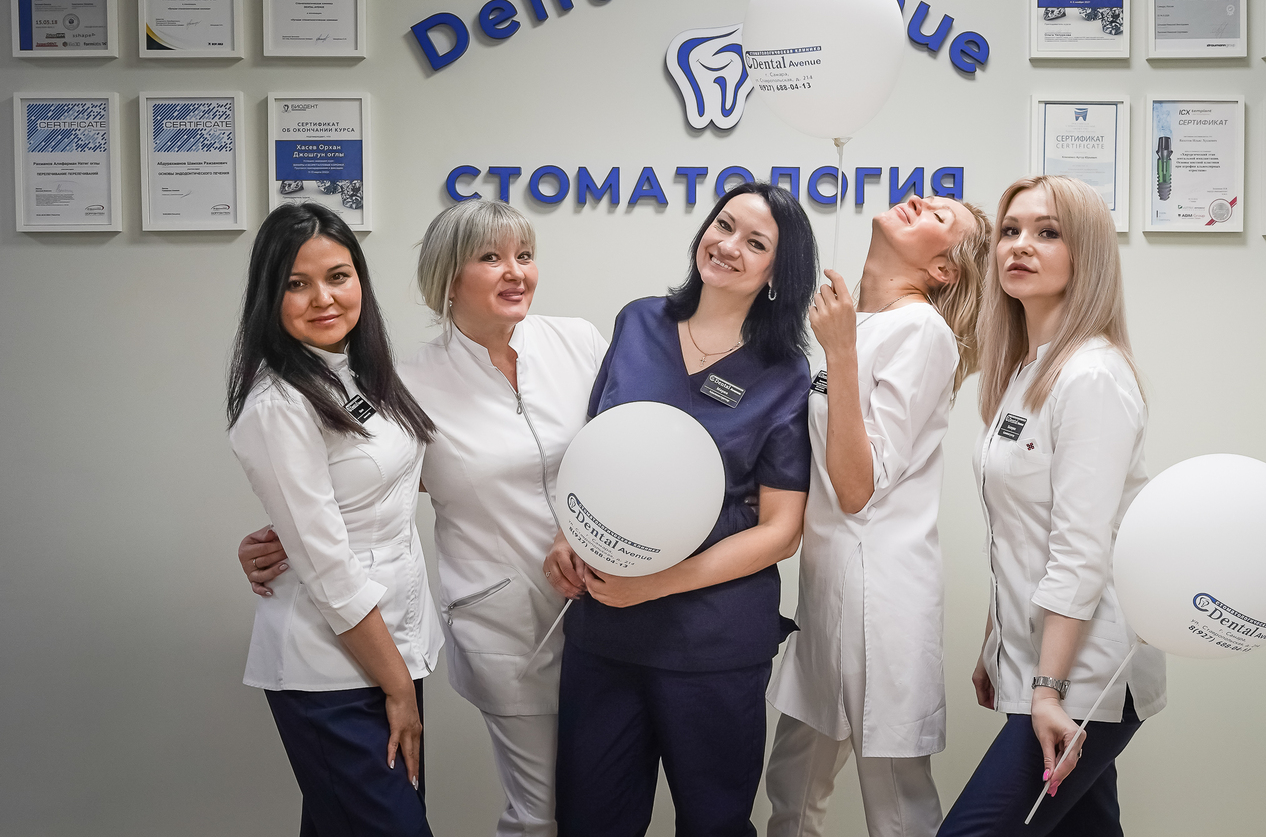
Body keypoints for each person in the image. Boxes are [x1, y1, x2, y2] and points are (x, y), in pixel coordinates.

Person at [241, 200, 608, 837]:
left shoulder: (575, 342)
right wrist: (284, 540)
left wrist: (285, 539)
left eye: (524, 255)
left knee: (599, 806)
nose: (515, 271)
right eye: (490, 257)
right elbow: (335, 516)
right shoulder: (406, 381)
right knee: (536, 812)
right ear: (447, 277)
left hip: (597, 610)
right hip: (489, 624)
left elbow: (365, 486)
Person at [547, 182, 818, 837]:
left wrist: (656, 584)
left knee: (713, 824)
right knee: (589, 821)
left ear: (778, 273)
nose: (728, 245)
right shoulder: (638, 322)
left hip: (712, 638)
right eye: (724, 225)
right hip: (606, 629)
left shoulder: (784, 372)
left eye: (755, 242)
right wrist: (568, 535)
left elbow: (782, 530)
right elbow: (595, 451)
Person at [937, 176, 1166, 837]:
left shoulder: (1092, 376)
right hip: (1042, 662)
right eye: (1010, 230)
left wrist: (1047, 690)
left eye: (1047, 232)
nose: (1020, 245)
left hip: (1083, 678)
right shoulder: (1024, 370)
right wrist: (997, 644)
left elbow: (1080, 549)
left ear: (1084, 255)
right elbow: (1018, 529)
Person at [764, 194, 992, 837]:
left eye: (939, 218)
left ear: (942, 269)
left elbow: (856, 488)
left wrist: (839, 353)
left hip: (880, 598)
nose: (919, 200)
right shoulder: (857, 322)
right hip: (827, 591)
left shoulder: (921, 332)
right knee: (793, 788)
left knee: (895, 807)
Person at [227, 202, 442, 837]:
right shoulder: (278, 404)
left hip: (390, 645)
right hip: (331, 669)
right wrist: (396, 687)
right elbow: (327, 568)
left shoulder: (358, 372)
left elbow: (372, 489)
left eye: (338, 276)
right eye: (297, 283)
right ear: (270, 296)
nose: (323, 298)